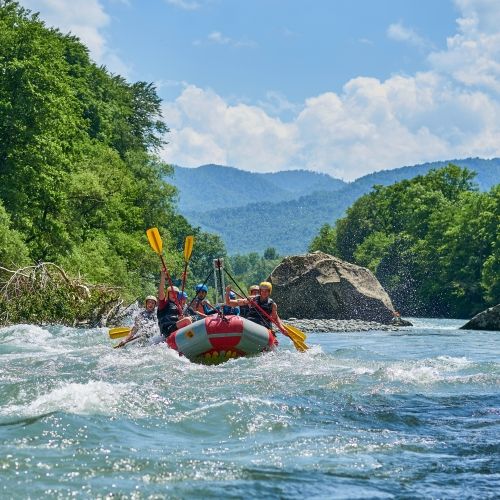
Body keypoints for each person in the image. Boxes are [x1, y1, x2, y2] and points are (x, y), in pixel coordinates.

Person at [156, 269, 183, 339]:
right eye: (172, 293)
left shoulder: (178, 306)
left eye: (176, 294)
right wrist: (162, 276)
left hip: (176, 330)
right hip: (167, 331)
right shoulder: (164, 303)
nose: (174, 295)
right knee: (187, 320)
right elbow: (161, 291)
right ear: (167, 294)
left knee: (188, 318)